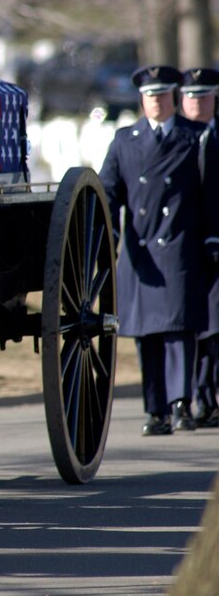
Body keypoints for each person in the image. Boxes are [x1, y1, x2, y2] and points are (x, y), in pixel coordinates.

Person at [99, 65, 209, 435]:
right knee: (148, 334)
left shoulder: (196, 137)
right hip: (141, 248)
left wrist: (211, 238)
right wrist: (106, 235)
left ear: (174, 97)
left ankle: (181, 403)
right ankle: (156, 409)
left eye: (163, 94)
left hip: (179, 243)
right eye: (150, 95)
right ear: (141, 99)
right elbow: (108, 192)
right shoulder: (124, 140)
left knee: (179, 329)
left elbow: (211, 193)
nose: (157, 101)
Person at [181, 67, 219, 427]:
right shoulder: (179, 137)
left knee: (214, 328)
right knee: (197, 328)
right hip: (186, 244)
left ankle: (208, 397)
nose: (197, 103)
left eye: (204, 96)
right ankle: (198, 397)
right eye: (191, 96)